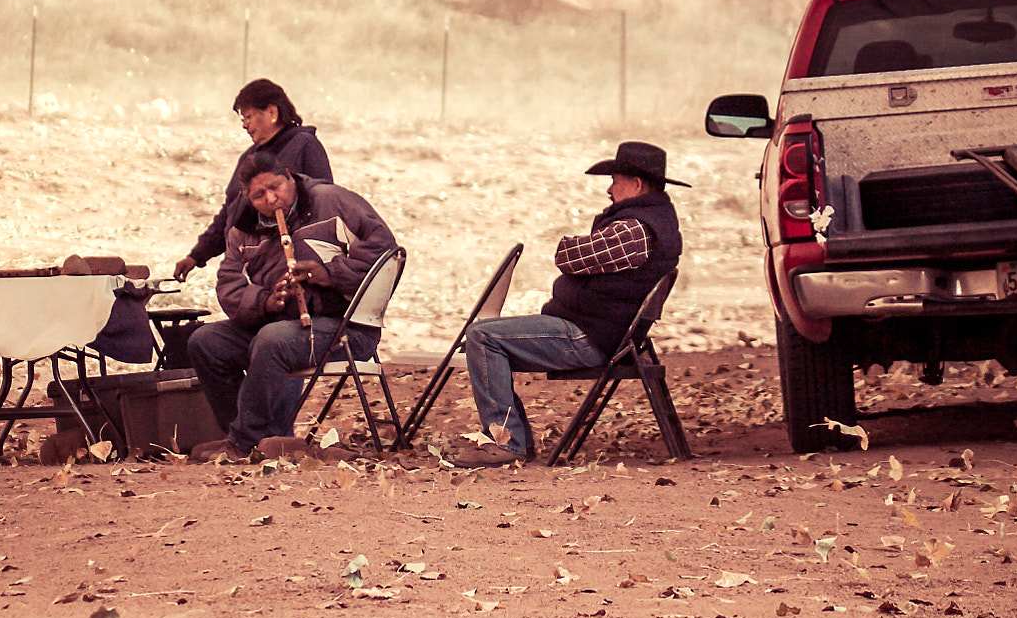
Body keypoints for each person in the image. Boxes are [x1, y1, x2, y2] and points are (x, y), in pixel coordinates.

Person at [452, 141, 685, 468]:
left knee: (482, 336)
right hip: (602, 331)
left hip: (589, 336)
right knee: (486, 336)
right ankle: (511, 438)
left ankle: (510, 442)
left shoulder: (634, 229)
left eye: (616, 181)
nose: (609, 189)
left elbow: (567, 256)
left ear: (636, 184)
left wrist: (570, 250)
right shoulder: (652, 222)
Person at [188, 148, 397, 461]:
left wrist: (329, 274)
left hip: (345, 327)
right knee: (205, 342)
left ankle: (247, 443)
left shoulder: (331, 201)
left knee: (273, 340)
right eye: (259, 195)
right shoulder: (242, 228)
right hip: (279, 325)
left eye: (276, 187)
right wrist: (267, 301)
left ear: (290, 177)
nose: (271, 200)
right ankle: (261, 437)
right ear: (247, 196)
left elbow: (386, 255)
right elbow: (229, 286)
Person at [172, 79, 331, 283]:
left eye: (248, 117)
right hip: (250, 267)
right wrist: (196, 255)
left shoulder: (304, 145)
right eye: (242, 120)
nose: (245, 125)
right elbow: (232, 211)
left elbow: (323, 207)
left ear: (272, 113)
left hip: (288, 264)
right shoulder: (251, 157)